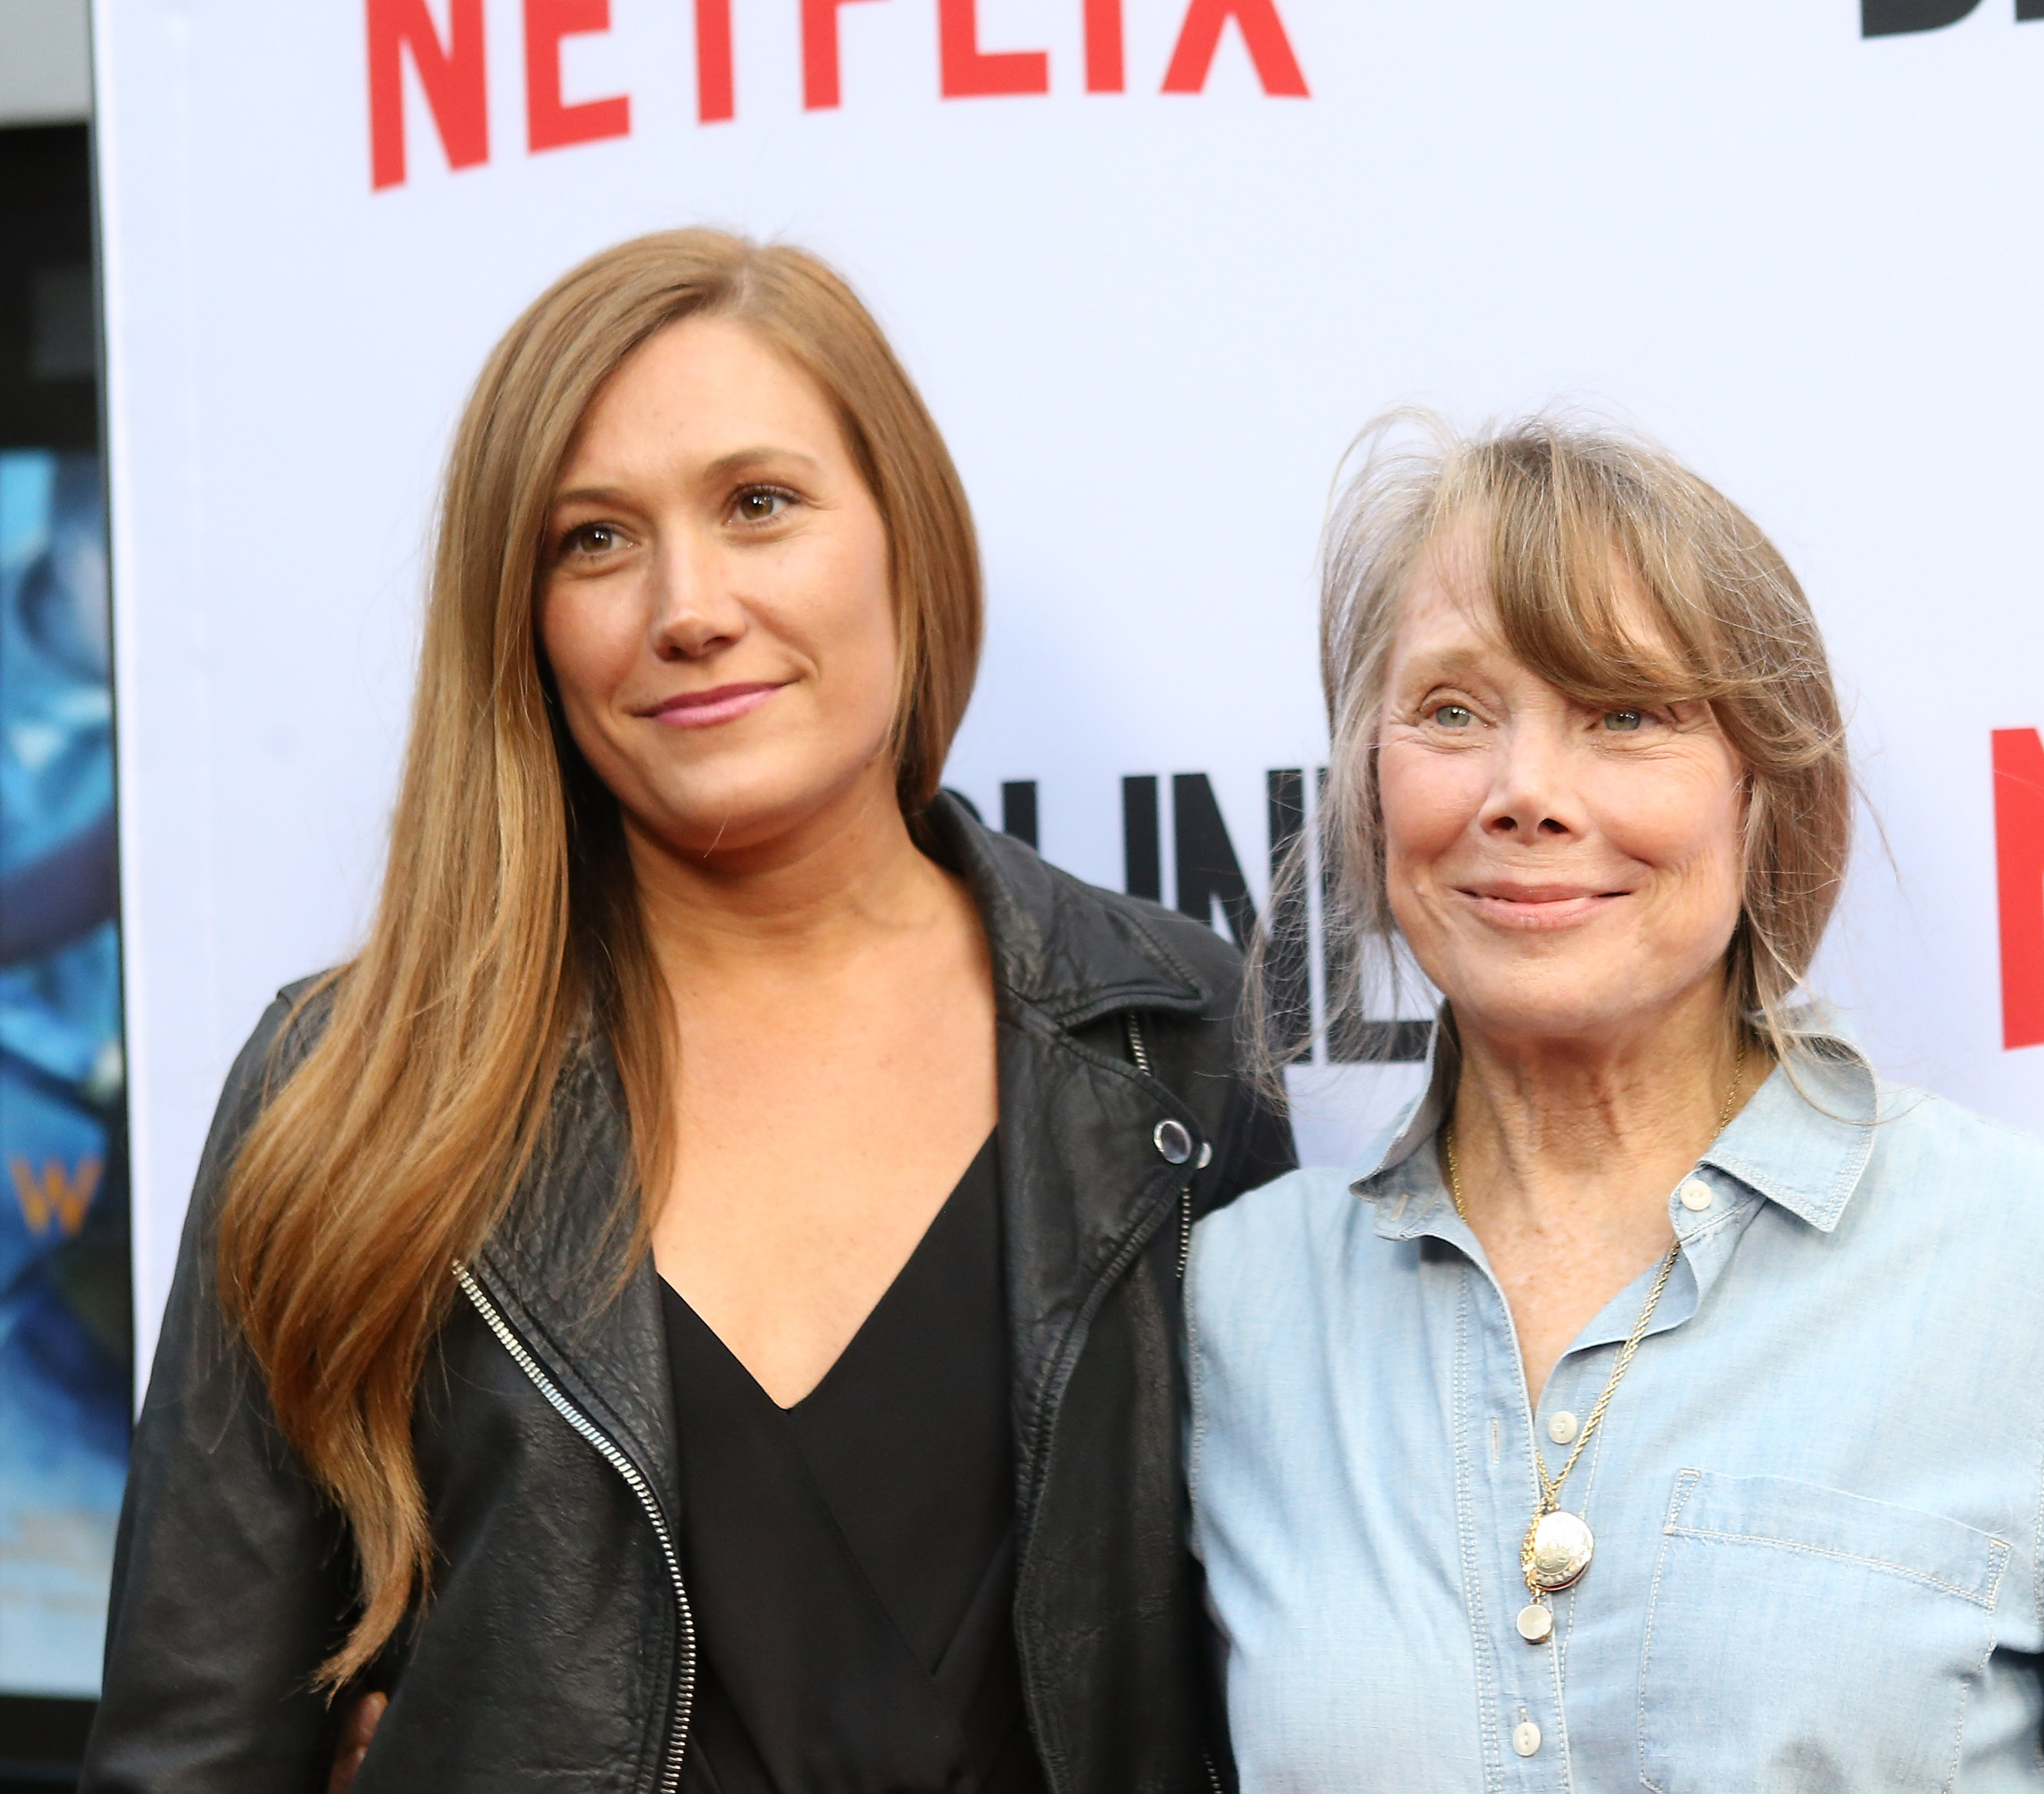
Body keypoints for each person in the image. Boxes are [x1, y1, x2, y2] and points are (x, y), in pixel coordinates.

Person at [83, 230, 1291, 1794]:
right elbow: (189, 1749)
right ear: (524, 624)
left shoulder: (1171, 1041)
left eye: (760, 504)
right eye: (593, 540)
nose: (688, 605)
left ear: (905, 540)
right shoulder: (351, 1083)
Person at [1186, 416, 2044, 1791]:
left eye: (1627, 714)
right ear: (1369, 779)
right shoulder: (1236, 1303)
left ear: (1763, 794)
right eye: (1455, 711)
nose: (1525, 790)